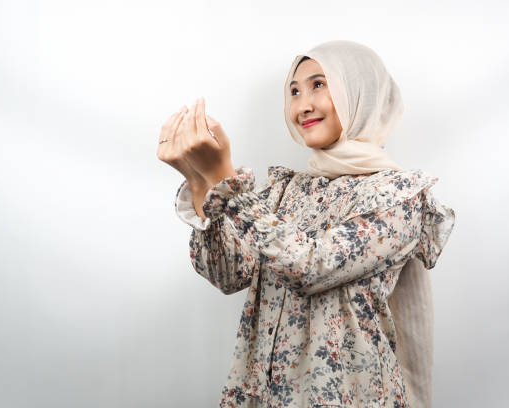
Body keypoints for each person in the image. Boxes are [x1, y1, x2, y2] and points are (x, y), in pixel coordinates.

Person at [158, 40, 456, 408]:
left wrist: (226, 180)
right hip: (265, 394)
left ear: (360, 92)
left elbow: (309, 268)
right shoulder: (287, 192)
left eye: (319, 84)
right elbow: (228, 273)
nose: (303, 105)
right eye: (294, 91)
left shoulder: (400, 195)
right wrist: (202, 183)